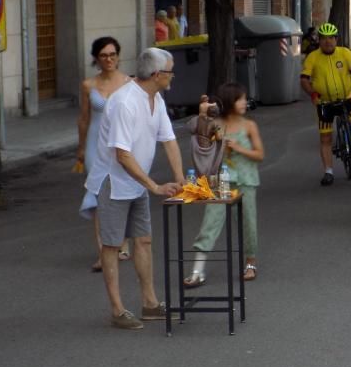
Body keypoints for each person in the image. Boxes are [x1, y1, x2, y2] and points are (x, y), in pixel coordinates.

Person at [84, 47, 185, 330]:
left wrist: (181, 180)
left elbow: (169, 140)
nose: (173, 77)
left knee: (143, 240)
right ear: (155, 74)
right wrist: (153, 186)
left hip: (136, 179)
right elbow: (122, 154)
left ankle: (150, 303)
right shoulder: (125, 102)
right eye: (169, 72)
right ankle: (117, 310)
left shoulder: (156, 99)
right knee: (113, 245)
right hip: (113, 180)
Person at [184, 82, 264, 287]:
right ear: (230, 102)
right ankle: (197, 270)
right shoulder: (216, 123)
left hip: (246, 179)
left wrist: (238, 147)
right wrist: (203, 116)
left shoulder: (249, 125)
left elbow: (260, 155)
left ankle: (250, 263)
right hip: (221, 180)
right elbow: (197, 136)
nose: (245, 102)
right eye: (240, 99)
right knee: (211, 220)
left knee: (248, 221)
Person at [76, 36, 133, 271]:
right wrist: (80, 149)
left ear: (118, 57)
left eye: (112, 54)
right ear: (96, 59)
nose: (108, 59)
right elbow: (84, 119)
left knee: (122, 193)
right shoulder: (88, 85)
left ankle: (123, 243)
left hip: (121, 144)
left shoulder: (129, 84)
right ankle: (103, 252)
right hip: (95, 145)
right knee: (99, 196)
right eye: (103, 55)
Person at [299, 22, 351, 186]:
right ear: (320, 40)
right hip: (324, 103)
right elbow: (304, 79)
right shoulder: (313, 57)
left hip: (346, 98)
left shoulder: (345, 53)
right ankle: (328, 171)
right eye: (324, 39)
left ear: (336, 39)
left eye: (331, 38)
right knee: (325, 138)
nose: (327, 42)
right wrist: (312, 93)